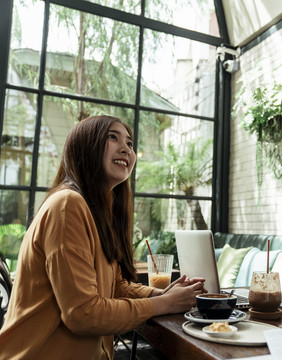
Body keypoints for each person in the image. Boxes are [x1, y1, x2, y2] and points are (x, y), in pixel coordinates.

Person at [0, 115, 207, 359]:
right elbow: (83, 313)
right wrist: (165, 304)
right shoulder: (67, 204)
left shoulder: (97, 212)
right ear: (85, 147)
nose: (126, 149)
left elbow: (115, 286)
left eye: (130, 143)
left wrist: (162, 294)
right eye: (113, 137)